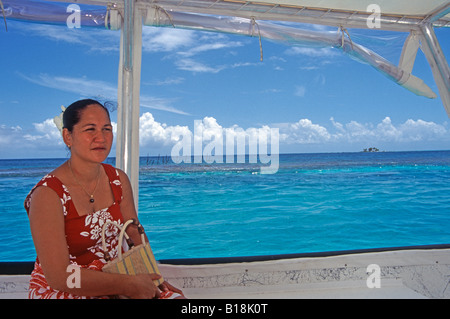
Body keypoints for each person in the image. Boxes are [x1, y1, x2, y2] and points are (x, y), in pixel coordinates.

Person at [24, 99, 184, 299]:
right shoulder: (48, 195)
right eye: (90, 129)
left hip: (117, 275)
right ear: (68, 136)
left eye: (107, 129)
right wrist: (128, 285)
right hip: (70, 287)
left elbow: (134, 233)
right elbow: (59, 276)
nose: (101, 137)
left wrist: (155, 279)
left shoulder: (118, 179)